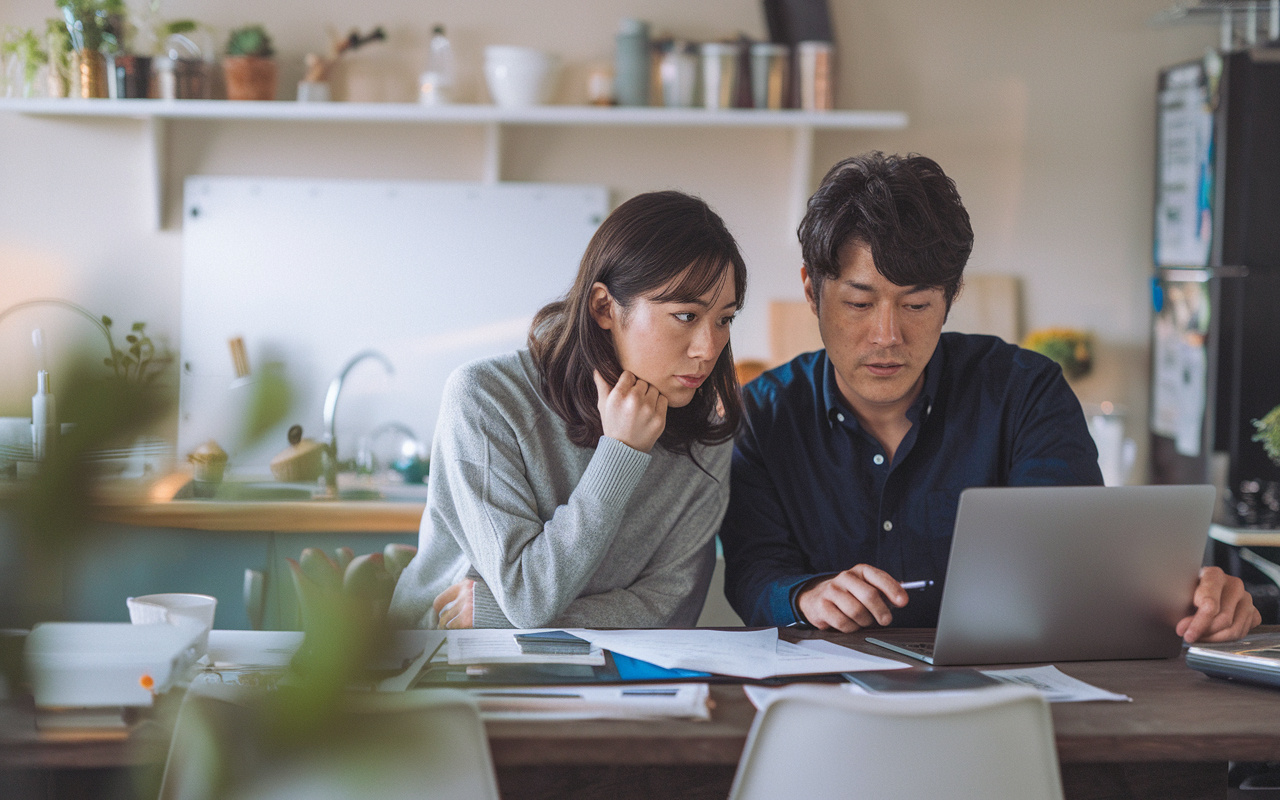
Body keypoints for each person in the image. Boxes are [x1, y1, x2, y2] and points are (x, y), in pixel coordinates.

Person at [720, 151, 1259, 643]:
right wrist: (805, 595)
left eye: (916, 305)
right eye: (859, 304)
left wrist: (1193, 599)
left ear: (952, 297)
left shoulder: (1025, 393)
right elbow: (753, 574)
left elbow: (1078, 565)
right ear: (813, 292)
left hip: (1009, 691)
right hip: (826, 702)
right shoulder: (765, 414)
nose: (886, 336)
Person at [389, 190, 747, 629]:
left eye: (724, 319)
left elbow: (671, 610)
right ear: (604, 308)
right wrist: (620, 453)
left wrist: (496, 615)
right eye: (686, 316)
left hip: (603, 676)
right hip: (439, 663)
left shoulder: (707, 434)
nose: (708, 348)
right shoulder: (486, 399)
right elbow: (527, 597)